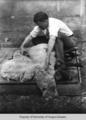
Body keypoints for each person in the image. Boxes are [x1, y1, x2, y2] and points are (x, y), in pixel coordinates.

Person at [20, 11, 77, 99]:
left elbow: (52, 40)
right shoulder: (40, 26)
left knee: (57, 37)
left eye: (40, 25)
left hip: (69, 42)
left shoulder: (53, 24)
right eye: (38, 25)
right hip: (57, 41)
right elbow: (30, 36)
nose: (40, 27)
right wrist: (22, 46)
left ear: (45, 21)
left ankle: (61, 66)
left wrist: (47, 58)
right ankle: (56, 53)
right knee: (35, 39)